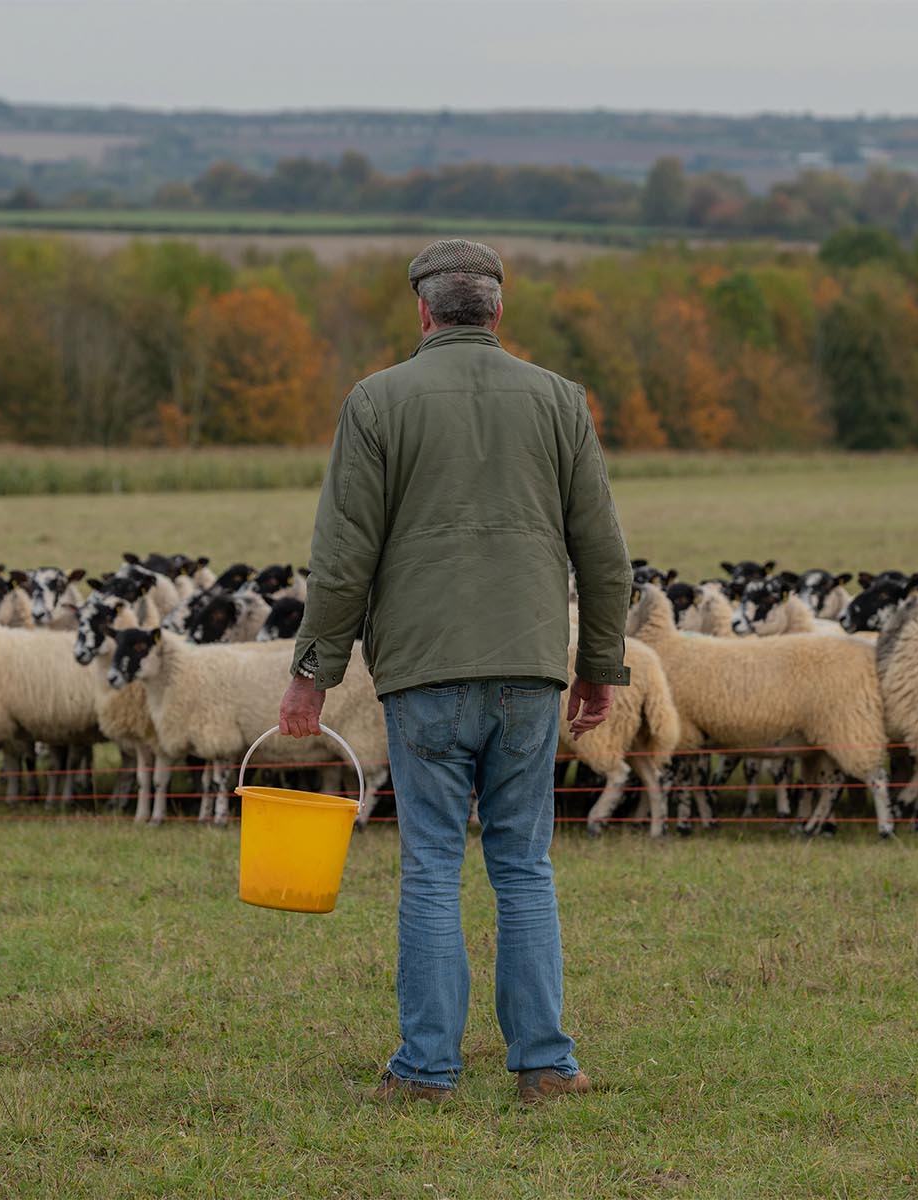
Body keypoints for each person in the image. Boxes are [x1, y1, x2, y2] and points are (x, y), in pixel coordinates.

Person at [276, 238, 633, 1105]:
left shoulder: (376, 402)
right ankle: (546, 1063)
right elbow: (605, 554)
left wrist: (310, 673)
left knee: (433, 865)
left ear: (425, 312)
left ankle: (427, 1071)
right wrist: (600, 666)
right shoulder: (559, 401)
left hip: (424, 673)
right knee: (524, 864)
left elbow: (342, 555)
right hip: (529, 669)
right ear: (497, 311)